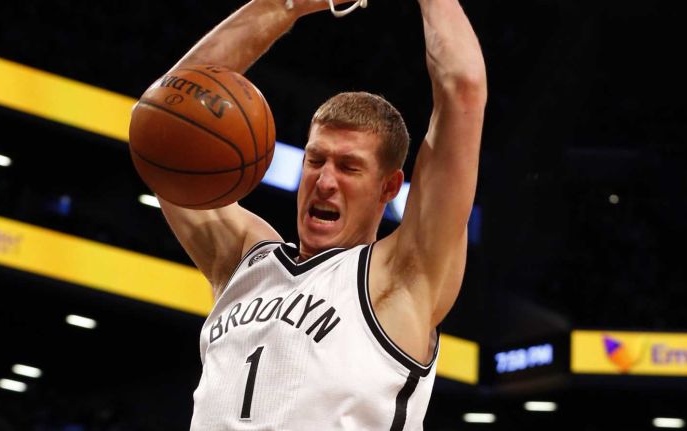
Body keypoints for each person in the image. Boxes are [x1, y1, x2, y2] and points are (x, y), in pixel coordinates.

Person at [153, 0, 486, 429]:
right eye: (315, 161)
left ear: (388, 186)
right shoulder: (243, 259)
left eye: (348, 167)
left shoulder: (401, 276)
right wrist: (282, 7)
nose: (325, 181)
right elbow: (166, 118)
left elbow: (464, 88)